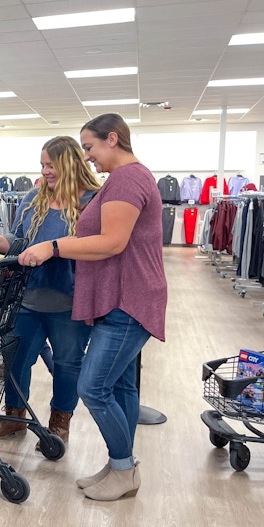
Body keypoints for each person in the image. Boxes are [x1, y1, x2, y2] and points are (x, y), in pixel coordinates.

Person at [18, 113, 167, 502]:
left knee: (93, 387)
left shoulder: (127, 179)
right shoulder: (124, 180)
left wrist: (54, 246)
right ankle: (120, 464)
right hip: (122, 298)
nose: (87, 157)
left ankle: (125, 468)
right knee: (120, 385)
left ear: (112, 139)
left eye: (90, 147)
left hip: (128, 300)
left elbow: (113, 242)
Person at [0, 136, 101, 449]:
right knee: (15, 359)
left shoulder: (93, 201)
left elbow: (99, 249)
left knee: (67, 364)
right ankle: (14, 418)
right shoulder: (33, 198)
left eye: (51, 165)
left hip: (70, 301)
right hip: (27, 298)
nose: (45, 171)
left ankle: (59, 424)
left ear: (71, 164)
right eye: (42, 165)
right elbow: (19, 242)